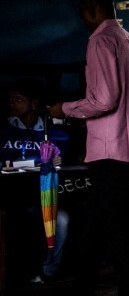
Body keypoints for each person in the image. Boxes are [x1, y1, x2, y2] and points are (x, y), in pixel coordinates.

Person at [48, 0, 129, 296]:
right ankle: (84, 285)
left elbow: (105, 99)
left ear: (92, 11)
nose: (85, 24)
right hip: (128, 149)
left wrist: (64, 109)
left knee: (118, 228)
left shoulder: (100, 41)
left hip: (108, 150)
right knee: (94, 221)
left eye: (84, 17)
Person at [3, 78, 70, 283]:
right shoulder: (4, 130)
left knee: (62, 220)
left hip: (42, 195)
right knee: (22, 222)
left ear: (34, 103)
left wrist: (57, 160)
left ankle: (48, 271)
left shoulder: (52, 133)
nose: (12, 103)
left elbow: (62, 159)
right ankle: (24, 272)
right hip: (10, 194)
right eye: (10, 100)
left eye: (18, 99)